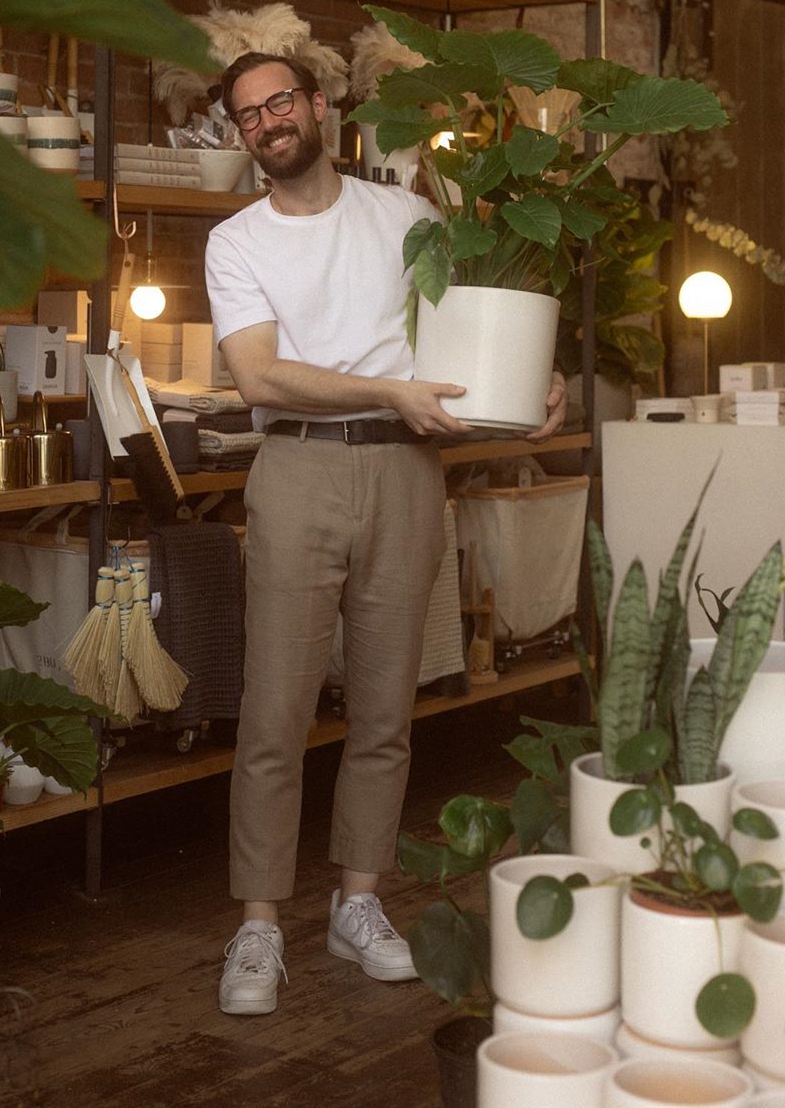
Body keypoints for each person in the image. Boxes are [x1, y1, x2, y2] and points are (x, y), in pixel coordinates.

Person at [204, 52, 567, 1016]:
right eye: (248, 116)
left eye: (281, 101)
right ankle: (259, 923)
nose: (268, 122)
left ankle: (356, 904)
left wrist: (526, 385)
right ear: (242, 137)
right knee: (275, 712)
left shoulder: (407, 217)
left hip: (409, 472)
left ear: (320, 107)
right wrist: (387, 390)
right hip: (299, 471)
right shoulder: (235, 243)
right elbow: (260, 378)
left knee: (383, 709)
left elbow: (466, 336)